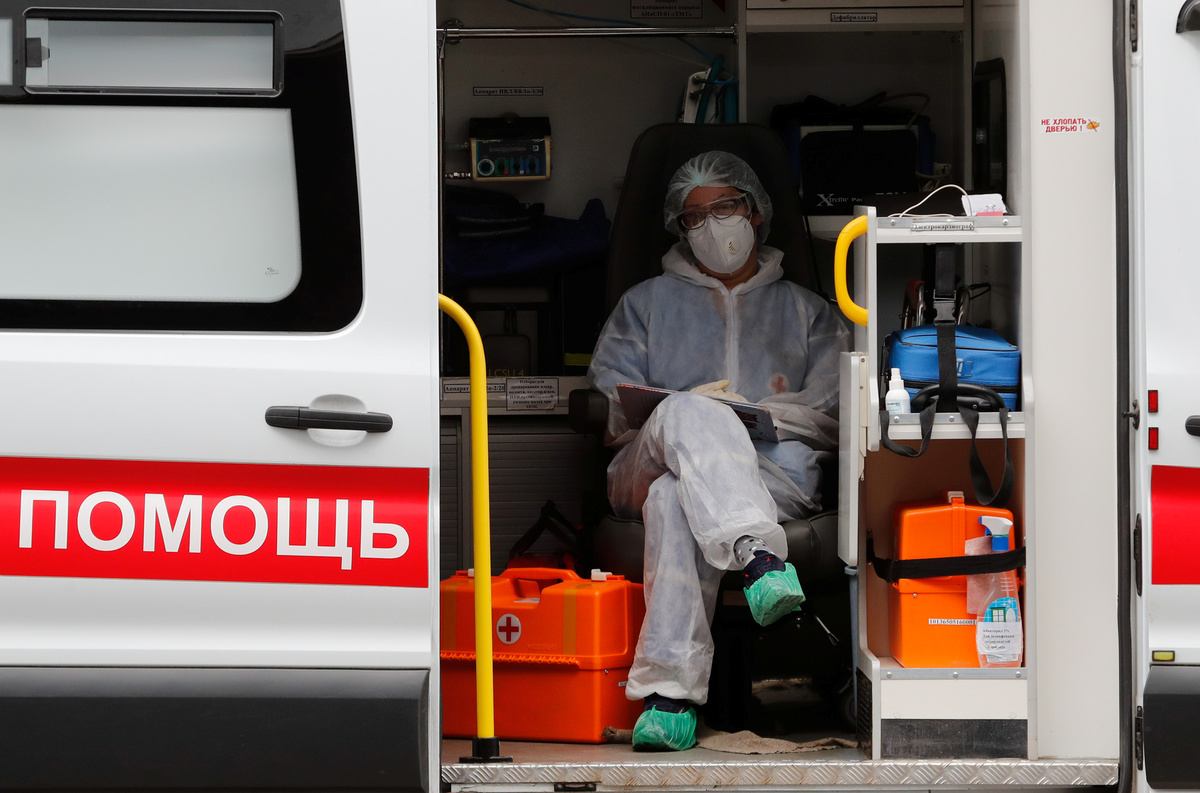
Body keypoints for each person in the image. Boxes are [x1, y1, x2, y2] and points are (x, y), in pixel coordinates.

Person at [587, 151, 851, 751]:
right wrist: (695, 412)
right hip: (645, 460)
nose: (712, 225)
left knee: (674, 498)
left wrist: (749, 415)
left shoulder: (808, 313)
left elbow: (836, 409)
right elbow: (610, 398)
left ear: (754, 212)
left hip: (772, 475)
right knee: (688, 412)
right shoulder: (645, 304)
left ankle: (668, 700)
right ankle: (759, 558)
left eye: (725, 207)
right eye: (694, 216)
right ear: (680, 228)